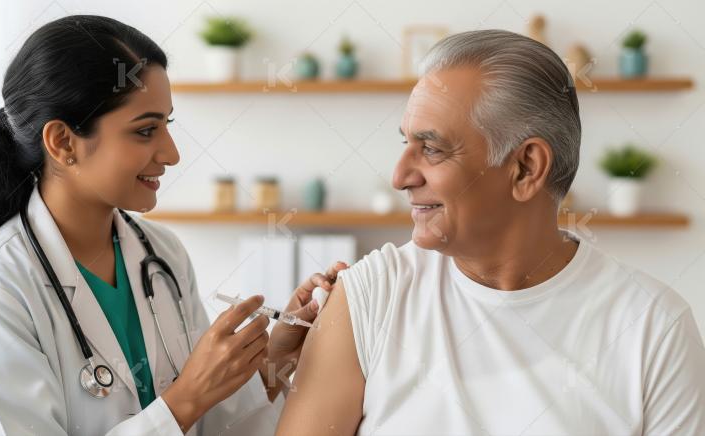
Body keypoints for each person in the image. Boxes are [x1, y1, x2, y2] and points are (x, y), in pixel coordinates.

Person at [0, 15, 345, 435]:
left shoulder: (162, 254)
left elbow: (215, 424)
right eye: (145, 130)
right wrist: (185, 400)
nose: (171, 153)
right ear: (63, 142)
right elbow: (188, 407)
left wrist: (274, 359)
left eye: (167, 124)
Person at [277, 29, 705, 435]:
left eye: (431, 148)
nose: (400, 176)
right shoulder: (369, 297)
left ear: (525, 168)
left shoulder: (654, 327)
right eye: (404, 143)